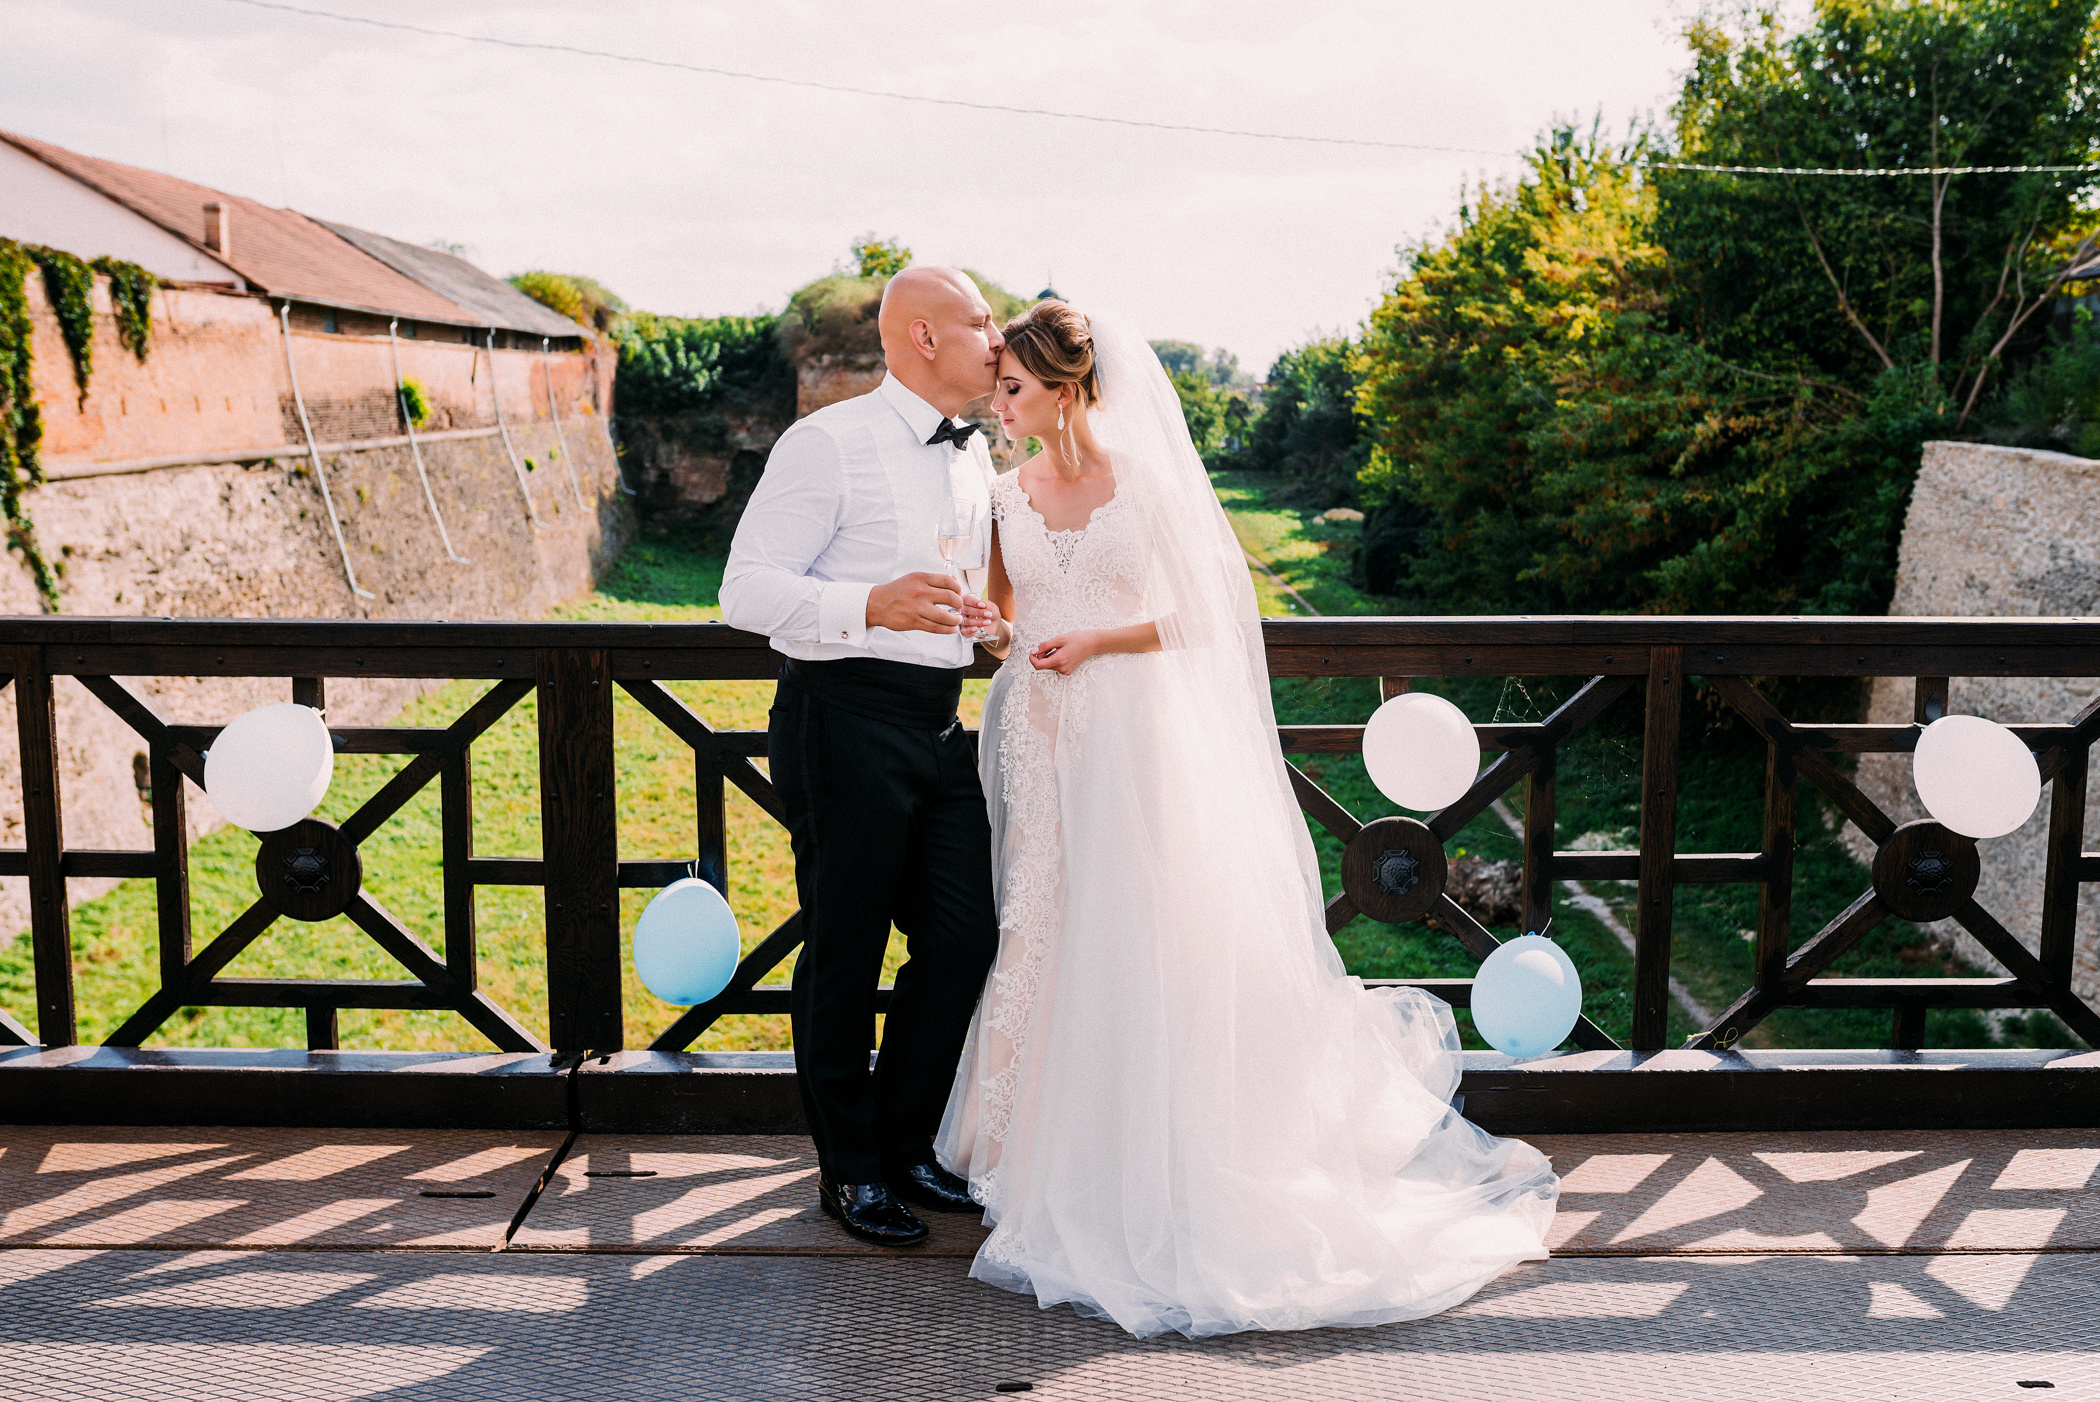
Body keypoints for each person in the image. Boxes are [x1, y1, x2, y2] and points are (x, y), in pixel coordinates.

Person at [936, 301, 1561, 1337]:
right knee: (1042, 927)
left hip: (1134, 737)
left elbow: (1206, 611)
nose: (997, 405)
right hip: (1038, 740)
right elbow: (1005, 625)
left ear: (1063, 388)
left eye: (1012, 388)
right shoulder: (1005, 495)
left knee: (1140, 932)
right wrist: (993, 625)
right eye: (997, 388)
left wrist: (1099, 641)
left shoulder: (1143, 485)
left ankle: (1152, 1150)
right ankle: (1032, 1142)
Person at [721, 265, 1004, 1247]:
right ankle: (850, 1172)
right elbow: (745, 590)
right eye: (981, 321)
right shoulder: (827, 441)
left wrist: (981, 623)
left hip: (938, 721)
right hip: (839, 718)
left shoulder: (974, 457)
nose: (998, 337)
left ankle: (907, 1142)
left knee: (967, 936)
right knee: (844, 949)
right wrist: (866, 606)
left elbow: (956, 591)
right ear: (923, 337)